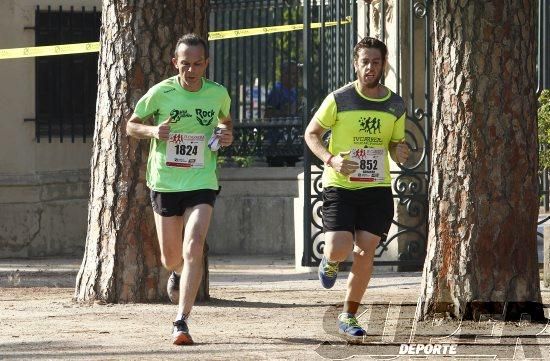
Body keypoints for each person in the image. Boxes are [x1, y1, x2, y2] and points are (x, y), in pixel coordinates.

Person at [126, 33, 233, 346]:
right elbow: (131, 125)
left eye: (198, 64)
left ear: (206, 63)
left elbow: (225, 123)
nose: (191, 70)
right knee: (171, 258)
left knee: (194, 244)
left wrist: (225, 135)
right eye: (185, 64)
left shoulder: (217, 94)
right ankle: (176, 273)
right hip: (166, 182)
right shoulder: (161, 93)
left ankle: (181, 320)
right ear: (175, 63)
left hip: (202, 181)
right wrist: (152, 130)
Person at [304, 37, 410, 339]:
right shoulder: (339, 99)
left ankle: (348, 315)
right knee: (338, 247)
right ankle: (330, 260)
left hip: (376, 188)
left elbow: (394, 142)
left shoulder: (395, 103)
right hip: (341, 185)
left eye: (376, 62)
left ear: (384, 64)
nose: (370, 67)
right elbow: (312, 133)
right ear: (355, 63)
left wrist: (398, 151)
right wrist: (330, 159)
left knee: (365, 253)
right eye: (364, 61)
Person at [264, 60, 301, 167]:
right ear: (284, 74)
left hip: (290, 140)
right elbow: (267, 115)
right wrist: (284, 112)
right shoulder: (277, 90)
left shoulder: (293, 91)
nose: (296, 77)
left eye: (297, 73)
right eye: (293, 74)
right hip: (276, 141)